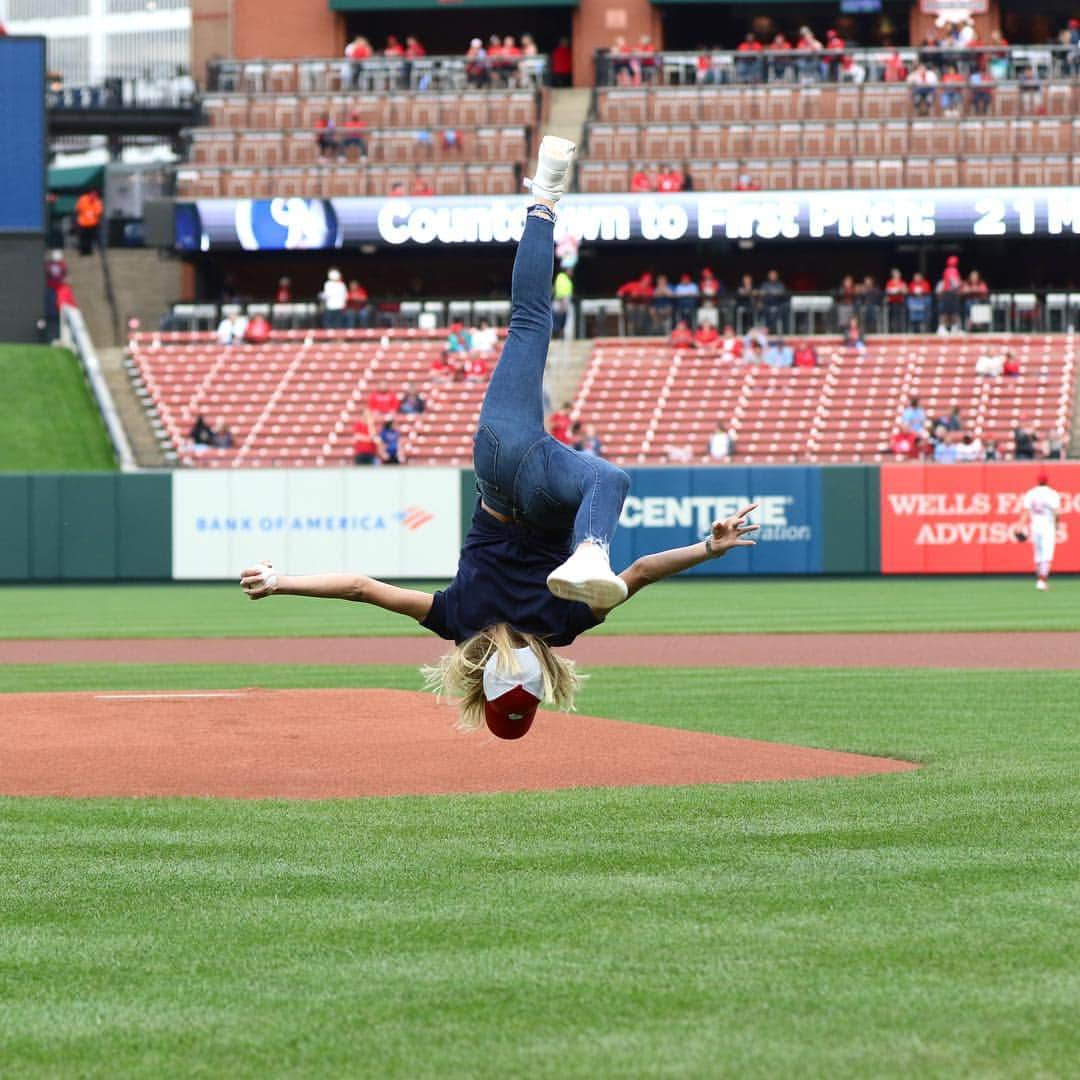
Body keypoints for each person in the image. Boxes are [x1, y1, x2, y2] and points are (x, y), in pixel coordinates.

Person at [240, 136, 757, 740]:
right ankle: (543, 198)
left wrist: (708, 549)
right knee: (529, 324)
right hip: (496, 458)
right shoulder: (460, 621)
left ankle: (591, 544)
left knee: (608, 478)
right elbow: (362, 588)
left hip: (534, 485)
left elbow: (638, 570)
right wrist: (280, 583)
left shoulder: (555, 624)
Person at [1017, 472, 1061, 590]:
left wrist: (1019, 526)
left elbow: (1025, 512)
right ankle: (1042, 581)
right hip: (1048, 525)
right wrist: (1057, 525)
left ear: (1038, 481)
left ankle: (1039, 580)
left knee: (1038, 554)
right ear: (1047, 481)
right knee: (1047, 554)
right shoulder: (1052, 493)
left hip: (1035, 525)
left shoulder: (1031, 493)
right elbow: (1057, 513)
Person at [75, 189, 103, 256]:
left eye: (95, 195)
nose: (93, 196)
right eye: (92, 194)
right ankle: (82, 252)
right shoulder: (82, 199)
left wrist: (93, 214)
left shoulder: (97, 202)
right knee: (83, 238)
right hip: (83, 223)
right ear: (89, 194)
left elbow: (99, 212)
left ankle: (89, 252)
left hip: (93, 223)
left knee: (90, 239)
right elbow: (78, 209)